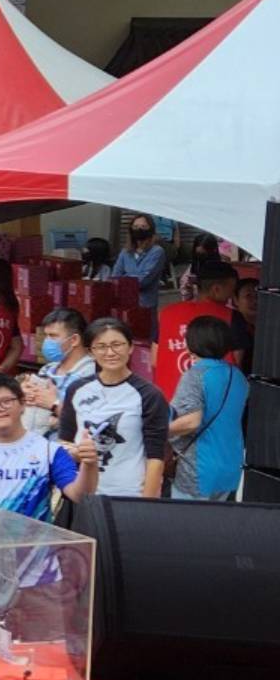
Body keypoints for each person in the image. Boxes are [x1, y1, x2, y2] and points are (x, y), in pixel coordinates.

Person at [59, 319, 170, 500]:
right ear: (90, 352)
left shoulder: (149, 395)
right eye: (101, 346)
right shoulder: (76, 389)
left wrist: (147, 504)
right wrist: (76, 453)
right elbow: (63, 441)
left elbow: (156, 458)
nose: (110, 352)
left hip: (129, 495)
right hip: (85, 495)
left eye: (117, 344)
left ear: (130, 347)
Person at [0, 372, 96, 519]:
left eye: (6, 401)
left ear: (23, 404)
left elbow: (79, 495)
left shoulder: (49, 451)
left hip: (34, 540)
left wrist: (90, 464)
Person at [167, 316, 247, 502]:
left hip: (198, 468)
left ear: (193, 342)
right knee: (214, 526)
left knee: (186, 527)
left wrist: (159, 430)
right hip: (230, 465)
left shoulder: (195, 375)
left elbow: (192, 421)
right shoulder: (238, 376)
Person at [156, 259, 239, 399]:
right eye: (231, 290)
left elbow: (154, 358)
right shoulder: (232, 317)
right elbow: (237, 363)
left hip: (169, 403)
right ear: (216, 289)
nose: (232, 297)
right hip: (214, 402)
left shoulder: (166, 313)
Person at [20, 308, 95, 437]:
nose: (47, 342)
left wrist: (55, 405)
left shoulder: (91, 374)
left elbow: (91, 422)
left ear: (74, 340)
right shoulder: (47, 370)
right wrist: (22, 396)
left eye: (53, 336)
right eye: (46, 335)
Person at [112, 215, 169, 339]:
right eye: (136, 227)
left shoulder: (157, 252)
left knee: (145, 342)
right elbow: (115, 277)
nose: (139, 230)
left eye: (143, 227)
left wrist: (126, 278)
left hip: (145, 305)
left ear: (151, 229)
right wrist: (132, 278)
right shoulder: (125, 252)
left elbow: (144, 281)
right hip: (125, 304)